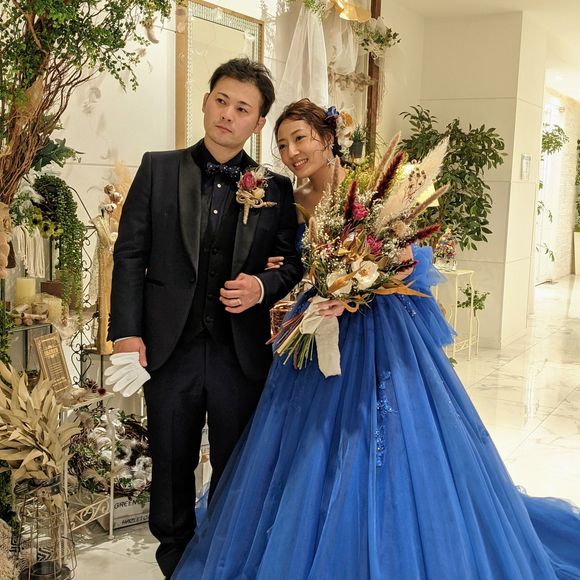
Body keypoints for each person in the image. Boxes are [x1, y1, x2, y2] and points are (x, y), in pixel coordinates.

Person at [172, 99, 580, 579]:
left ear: (327, 138)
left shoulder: (371, 188)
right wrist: (294, 271)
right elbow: (293, 261)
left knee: (387, 431)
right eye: (282, 144)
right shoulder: (291, 198)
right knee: (306, 442)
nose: (292, 151)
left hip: (378, 328)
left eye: (300, 138)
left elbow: (409, 259)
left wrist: (362, 286)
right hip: (319, 323)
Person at [108, 59, 303, 578]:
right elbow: (129, 254)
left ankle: (223, 559)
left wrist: (260, 286)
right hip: (168, 348)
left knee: (235, 463)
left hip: (239, 353)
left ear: (257, 123)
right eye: (221, 100)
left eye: (242, 108)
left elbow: (293, 263)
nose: (227, 115)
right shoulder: (158, 168)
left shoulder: (275, 188)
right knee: (171, 460)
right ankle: (175, 562)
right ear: (205, 100)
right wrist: (126, 333)